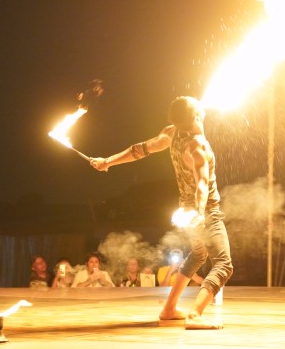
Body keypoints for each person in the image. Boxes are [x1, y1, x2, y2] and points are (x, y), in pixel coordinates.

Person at [90, 96, 233, 329]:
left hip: (185, 209)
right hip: (204, 212)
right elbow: (201, 184)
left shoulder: (172, 133)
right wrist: (199, 214)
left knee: (198, 255)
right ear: (196, 116)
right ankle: (195, 315)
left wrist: (108, 161)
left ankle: (168, 310)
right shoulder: (198, 146)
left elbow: (139, 151)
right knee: (224, 264)